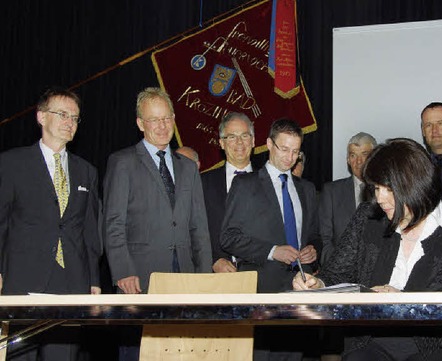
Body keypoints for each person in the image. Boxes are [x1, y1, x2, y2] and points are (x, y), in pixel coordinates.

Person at [294, 138, 442, 361]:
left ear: (415, 183)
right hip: (370, 343)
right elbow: (336, 273)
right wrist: (318, 284)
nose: (379, 198)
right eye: (376, 188)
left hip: (436, 348)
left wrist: (405, 303)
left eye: (388, 188)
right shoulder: (368, 218)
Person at [0, 88, 101, 360]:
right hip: (23, 278)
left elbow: (90, 230)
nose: (70, 122)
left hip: (71, 280)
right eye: (63, 114)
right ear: (41, 117)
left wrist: (93, 279)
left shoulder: (87, 171)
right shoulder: (11, 163)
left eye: (76, 118)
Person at [103, 87, 212, 294]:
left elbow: (199, 228)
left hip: (186, 277)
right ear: (140, 123)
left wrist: (205, 275)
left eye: (166, 118)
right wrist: (123, 270)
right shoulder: (122, 163)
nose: (162, 126)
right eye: (153, 119)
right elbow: (113, 223)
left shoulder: (188, 168)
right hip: (139, 277)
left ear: (173, 119)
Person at [220, 118, 319, 293]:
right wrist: (272, 251)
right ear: (269, 144)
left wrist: (313, 249)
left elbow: (314, 235)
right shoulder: (245, 184)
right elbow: (229, 237)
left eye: (295, 152)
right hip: (261, 285)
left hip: (302, 284)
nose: (290, 158)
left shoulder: (307, 189)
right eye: (285, 149)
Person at [201, 112, 259, 273]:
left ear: (253, 141)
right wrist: (213, 260)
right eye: (231, 137)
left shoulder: (270, 182)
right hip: (219, 277)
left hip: (263, 275)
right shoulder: (203, 183)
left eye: (245, 135)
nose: (239, 142)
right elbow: (195, 230)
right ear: (221, 143)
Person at [319, 132, 377, 265]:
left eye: (364, 154)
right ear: (348, 160)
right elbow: (324, 240)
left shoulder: (388, 192)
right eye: (353, 155)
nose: (358, 161)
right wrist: (340, 265)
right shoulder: (332, 192)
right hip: (341, 273)